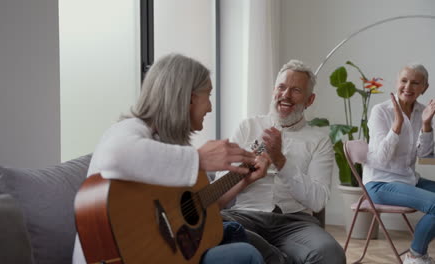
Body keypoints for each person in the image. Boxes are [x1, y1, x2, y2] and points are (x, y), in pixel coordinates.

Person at [72, 53, 272, 264]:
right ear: (188, 97)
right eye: (208, 95)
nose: (210, 107)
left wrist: (244, 179)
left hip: (166, 254)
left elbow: (202, 207)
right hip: (127, 256)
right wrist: (199, 159)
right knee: (246, 253)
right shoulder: (130, 130)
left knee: (235, 237)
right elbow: (114, 156)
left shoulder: (175, 148)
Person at [216, 59, 346, 264]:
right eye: (281, 87)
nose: (286, 95)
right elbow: (219, 195)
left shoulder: (319, 140)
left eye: (295, 90)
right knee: (214, 229)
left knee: (330, 254)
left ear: (309, 100)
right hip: (245, 216)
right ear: (274, 91)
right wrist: (247, 178)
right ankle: (276, 258)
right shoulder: (248, 127)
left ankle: (269, 256)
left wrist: (281, 161)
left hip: (295, 223)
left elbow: (318, 201)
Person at [364, 63, 435, 264]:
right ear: (397, 82)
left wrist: (427, 124)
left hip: (408, 180)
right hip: (379, 183)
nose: (408, 87)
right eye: (404, 81)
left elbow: (424, 154)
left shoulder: (422, 111)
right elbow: (379, 159)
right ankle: (415, 254)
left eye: (415, 83)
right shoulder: (380, 111)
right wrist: (397, 124)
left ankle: (417, 253)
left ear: (425, 88)